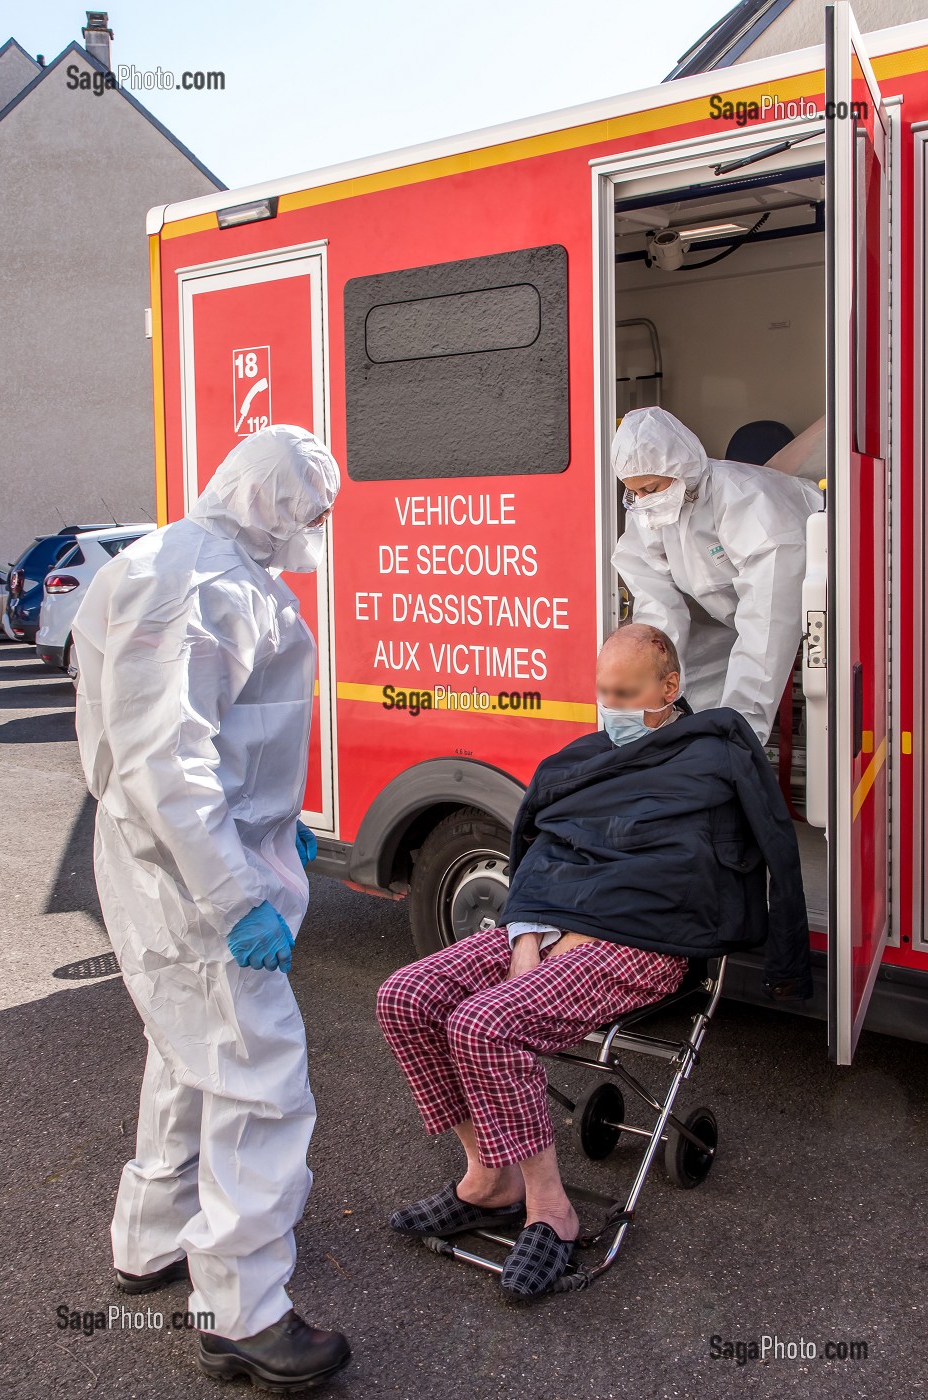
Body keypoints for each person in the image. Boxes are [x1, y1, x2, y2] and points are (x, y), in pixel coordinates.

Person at [376, 624, 811, 1300]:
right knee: (406, 997)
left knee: (483, 1025)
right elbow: (541, 856)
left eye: (625, 692)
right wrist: (526, 936)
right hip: (545, 925)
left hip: (637, 944)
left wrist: (586, 932)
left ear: (668, 688)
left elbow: (694, 876)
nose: (610, 706)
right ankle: (491, 1178)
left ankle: (551, 1211)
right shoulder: (582, 760)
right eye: (602, 691)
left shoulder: (713, 762)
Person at [73, 425, 351, 1391]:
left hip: (191, 858)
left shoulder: (180, 558)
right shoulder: (201, 584)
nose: (313, 532)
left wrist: (278, 827)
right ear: (273, 499)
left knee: (186, 1056)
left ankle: (150, 1242)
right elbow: (167, 766)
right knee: (258, 1080)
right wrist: (238, 895)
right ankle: (244, 1310)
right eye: (310, 514)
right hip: (191, 876)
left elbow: (219, 738)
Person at [610, 406, 822, 744]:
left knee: (748, 719)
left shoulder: (748, 501)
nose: (643, 501)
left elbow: (766, 623)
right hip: (731, 615)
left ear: (681, 469)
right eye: (634, 492)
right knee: (689, 694)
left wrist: (741, 731)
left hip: (810, 613)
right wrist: (652, 686)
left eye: (651, 488)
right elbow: (656, 604)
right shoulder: (649, 509)